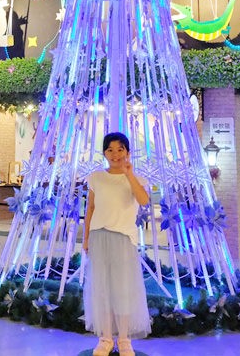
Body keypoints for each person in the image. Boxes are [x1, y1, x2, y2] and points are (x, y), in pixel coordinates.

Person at [83, 132, 151, 356]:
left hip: (123, 238)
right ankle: (105, 339)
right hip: (99, 236)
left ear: (127, 152)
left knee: (123, 290)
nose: (115, 154)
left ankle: (124, 339)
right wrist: (85, 238)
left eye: (120, 149)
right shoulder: (95, 177)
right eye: (110, 150)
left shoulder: (137, 178)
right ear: (104, 153)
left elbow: (143, 201)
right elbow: (90, 209)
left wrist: (128, 174)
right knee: (101, 289)